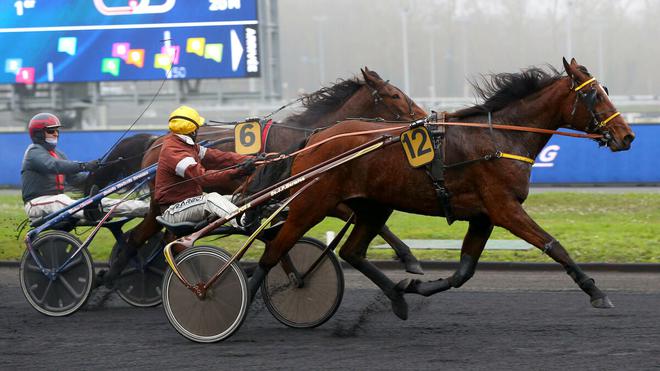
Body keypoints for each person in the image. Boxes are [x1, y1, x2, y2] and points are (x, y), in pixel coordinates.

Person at [21, 112, 149, 223]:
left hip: (57, 203)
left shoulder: (59, 154)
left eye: (57, 130)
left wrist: (100, 174)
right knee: (69, 202)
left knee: (100, 202)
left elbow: (76, 179)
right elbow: (53, 166)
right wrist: (84, 166)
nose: (56, 134)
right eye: (51, 131)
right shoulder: (33, 152)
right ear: (38, 134)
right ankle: (92, 213)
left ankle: (146, 208)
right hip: (37, 203)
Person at [155, 105, 256, 227]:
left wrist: (251, 159)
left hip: (189, 204)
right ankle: (242, 222)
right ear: (193, 130)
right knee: (211, 199)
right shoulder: (174, 152)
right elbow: (203, 178)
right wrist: (238, 172)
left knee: (240, 198)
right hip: (173, 212)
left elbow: (216, 156)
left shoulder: (186, 144)